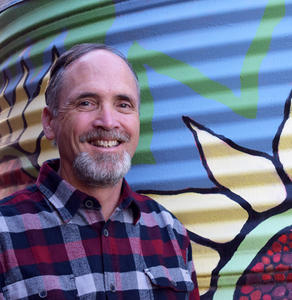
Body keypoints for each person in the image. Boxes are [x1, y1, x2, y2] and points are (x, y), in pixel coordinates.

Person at [0, 43, 200, 299]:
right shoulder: (5, 233)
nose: (108, 121)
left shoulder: (169, 231)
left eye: (124, 105)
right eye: (86, 102)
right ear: (50, 123)